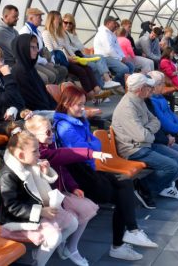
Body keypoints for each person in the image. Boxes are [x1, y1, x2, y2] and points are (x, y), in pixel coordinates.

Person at [54, 86, 157, 260]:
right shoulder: (65, 127)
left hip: (89, 169)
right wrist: (90, 144)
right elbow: (86, 149)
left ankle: (129, 233)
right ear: (66, 103)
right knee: (121, 195)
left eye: (83, 104)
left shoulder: (79, 121)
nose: (82, 108)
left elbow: (95, 144)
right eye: (78, 105)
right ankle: (121, 241)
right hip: (78, 175)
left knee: (125, 184)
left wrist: (90, 143)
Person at [23, 116, 103, 266]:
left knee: (84, 209)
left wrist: (73, 186)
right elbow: (60, 155)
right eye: (47, 131)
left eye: (52, 129)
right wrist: (90, 153)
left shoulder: (49, 144)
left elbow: (63, 169)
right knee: (72, 218)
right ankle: (55, 250)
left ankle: (69, 247)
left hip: (59, 194)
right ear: (34, 135)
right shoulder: (38, 152)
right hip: (46, 200)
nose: (52, 134)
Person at [0, 128, 78, 266]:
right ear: (20, 155)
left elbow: (37, 188)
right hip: (13, 219)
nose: (39, 154)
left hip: (33, 210)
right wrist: (41, 212)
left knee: (72, 222)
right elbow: (11, 207)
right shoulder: (7, 176)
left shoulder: (28, 164)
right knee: (54, 236)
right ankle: (38, 262)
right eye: (35, 151)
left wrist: (44, 172)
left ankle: (40, 253)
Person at [112, 73, 178, 205]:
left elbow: (155, 121)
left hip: (144, 144)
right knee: (171, 165)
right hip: (133, 150)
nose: (151, 90)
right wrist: (149, 131)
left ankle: (159, 187)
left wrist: (147, 130)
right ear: (140, 89)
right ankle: (144, 188)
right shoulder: (127, 107)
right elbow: (142, 136)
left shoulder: (139, 100)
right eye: (149, 87)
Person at [146, 71, 178, 191]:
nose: (163, 86)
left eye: (162, 83)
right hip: (165, 132)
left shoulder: (160, 97)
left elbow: (170, 113)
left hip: (174, 130)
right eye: (160, 83)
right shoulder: (152, 100)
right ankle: (175, 181)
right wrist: (176, 130)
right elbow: (161, 121)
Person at [41, 10, 104, 100]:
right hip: (60, 61)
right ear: (51, 20)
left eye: (59, 19)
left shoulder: (59, 33)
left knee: (87, 68)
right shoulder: (46, 33)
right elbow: (50, 51)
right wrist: (69, 58)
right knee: (81, 71)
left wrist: (74, 57)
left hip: (68, 58)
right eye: (58, 19)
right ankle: (92, 95)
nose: (59, 21)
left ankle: (98, 91)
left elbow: (67, 47)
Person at [62, 13, 121, 90]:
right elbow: (68, 48)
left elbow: (81, 47)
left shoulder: (73, 34)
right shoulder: (63, 34)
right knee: (94, 66)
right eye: (66, 22)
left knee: (100, 57)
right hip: (76, 56)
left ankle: (107, 81)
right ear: (62, 23)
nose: (68, 25)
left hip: (80, 54)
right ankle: (101, 89)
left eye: (70, 23)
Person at [20, 7, 67, 84]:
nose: (41, 19)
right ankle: (47, 93)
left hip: (39, 61)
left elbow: (43, 49)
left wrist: (51, 60)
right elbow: (29, 54)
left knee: (62, 70)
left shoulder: (37, 32)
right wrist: (45, 61)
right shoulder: (25, 32)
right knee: (52, 75)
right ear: (31, 18)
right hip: (31, 63)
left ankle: (54, 92)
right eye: (39, 17)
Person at [11, 34, 59, 111]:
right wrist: (53, 112)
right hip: (35, 114)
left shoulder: (29, 68)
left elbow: (44, 93)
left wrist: (57, 108)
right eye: (33, 47)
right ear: (23, 48)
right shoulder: (19, 72)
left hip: (44, 110)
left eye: (37, 47)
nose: (37, 50)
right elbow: (32, 101)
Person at [93, 16, 134, 87]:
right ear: (108, 23)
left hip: (111, 57)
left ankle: (125, 86)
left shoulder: (111, 34)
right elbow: (109, 50)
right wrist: (120, 59)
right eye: (114, 23)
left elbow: (117, 47)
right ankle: (114, 83)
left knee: (131, 66)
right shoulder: (103, 33)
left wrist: (123, 57)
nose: (115, 25)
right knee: (124, 69)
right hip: (104, 58)